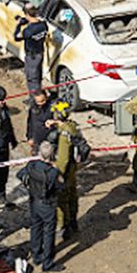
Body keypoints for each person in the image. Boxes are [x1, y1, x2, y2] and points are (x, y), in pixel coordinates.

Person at [18, 141, 63, 272]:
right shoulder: (53, 172)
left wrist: (28, 184)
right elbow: (60, 186)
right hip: (47, 204)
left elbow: (20, 174)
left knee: (35, 228)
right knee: (49, 232)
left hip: (34, 201)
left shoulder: (31, 165)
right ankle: (47, 263)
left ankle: (37, 255)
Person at [46, 100, 87, 238]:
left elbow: (62, 158)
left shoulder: (64, 134)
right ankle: (73, 221)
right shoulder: (71, 126)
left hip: (65, 170)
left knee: (62, 199)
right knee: (72, 195)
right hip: (73, 168)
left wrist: (57, 174)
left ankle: (63, 226)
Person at [13, 3, 48, 92]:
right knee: (37, 76)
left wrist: (18, 25)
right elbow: (35, 22)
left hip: (31, 57)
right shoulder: (43, 25)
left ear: (27, 14)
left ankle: (35, 99)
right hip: (40, 53)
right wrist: (25, 20)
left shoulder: (28, 31)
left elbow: (16, 37)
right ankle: (38, 95)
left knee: (32, 79)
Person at [26, 90, 54, 155]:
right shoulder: (33, 109)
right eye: (38, 102)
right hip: (37, 138)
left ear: (46, 97)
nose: (41, 103)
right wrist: (29, 137)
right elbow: (30, 123)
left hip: (49, 136)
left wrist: (53, 122)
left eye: (43, 100)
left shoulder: (52, 107)